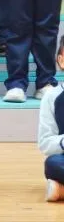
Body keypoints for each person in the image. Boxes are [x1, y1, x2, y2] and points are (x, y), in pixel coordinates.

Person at [38, 40, 64, 202]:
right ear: (61, 60)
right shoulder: (51, 97)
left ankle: (61, 190)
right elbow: (45, 143)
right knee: (53, 163)